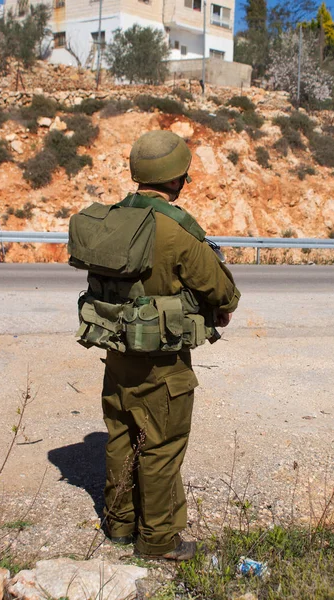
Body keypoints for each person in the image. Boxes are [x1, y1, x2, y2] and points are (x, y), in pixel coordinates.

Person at [101, 130, 240, 560]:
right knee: (161, 444)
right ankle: (159, 540)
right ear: (176, 180)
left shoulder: (112, 217)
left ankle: (120, 524)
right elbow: (221, 291)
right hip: (162, 360)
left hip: (117, 352)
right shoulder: (177, 231)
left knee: (121, 435)